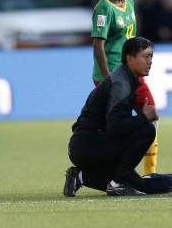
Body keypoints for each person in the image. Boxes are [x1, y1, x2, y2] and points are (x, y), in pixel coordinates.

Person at [64, 37, 159, 197]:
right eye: (145, 56)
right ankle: (117, 184)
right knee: (147, 130)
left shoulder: (126, 79)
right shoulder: (121, 85)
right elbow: (115, 128)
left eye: (151, 56)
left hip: (87, 145)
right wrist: (144, 117)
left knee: (141, 187)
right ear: (129, 59)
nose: (150, 61)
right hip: (88, 146)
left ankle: (81, 176)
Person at [91, 0, 158, 175]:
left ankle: (150, 174)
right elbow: (98, 45)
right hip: (111, 74)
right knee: (115, 127)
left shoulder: (129, 3)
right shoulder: (103, 8)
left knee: (151, 115)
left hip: (133, 74)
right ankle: (110, 173)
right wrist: (108, 79)